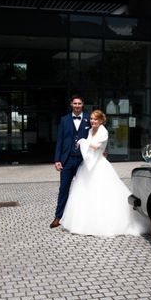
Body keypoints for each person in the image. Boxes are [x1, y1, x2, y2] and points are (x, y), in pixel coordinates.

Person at [60, 109, 148, 237]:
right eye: (91, 119)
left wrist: (83, 141)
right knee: (84, 192)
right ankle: (84, 222)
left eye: (95, 119)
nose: (92, 121)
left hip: (99, 164)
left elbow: (96, 147)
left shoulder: (104, 132)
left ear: (101, 120)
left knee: (102, 192)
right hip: (88, 164)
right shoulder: (90, 130)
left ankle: (104, 224)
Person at [51, 95, 90, 228]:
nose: (77, 105)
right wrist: (57, 159)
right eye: (75, 103)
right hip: (67, 160)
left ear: (83, 104)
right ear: (71, 104)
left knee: (83, 189)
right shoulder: (64, 120)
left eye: (79, 103)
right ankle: (58, 217)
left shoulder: (89, 119)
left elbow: (95, 136)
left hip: (83, 160)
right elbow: (60, 140)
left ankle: (83, 217)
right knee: (63, 189)